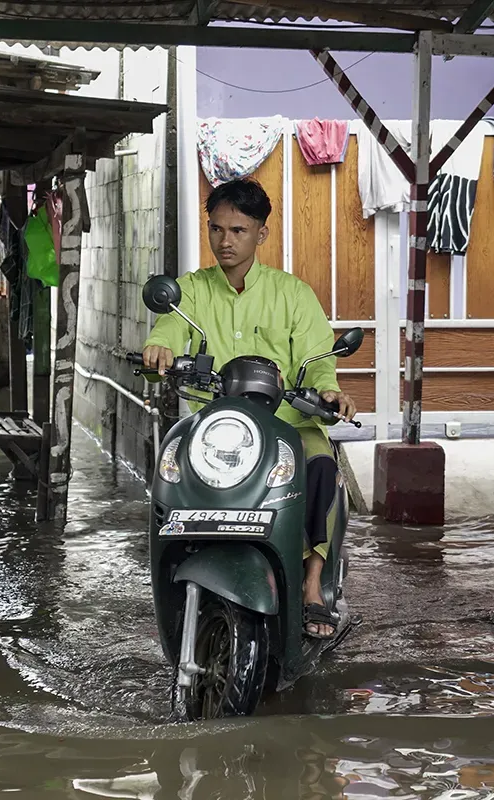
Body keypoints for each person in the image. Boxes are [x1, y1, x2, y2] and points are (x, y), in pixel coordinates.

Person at [142, 178, 357, 640]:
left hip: (287, 423)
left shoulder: (293, 294)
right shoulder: (191, 291)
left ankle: (313, 584)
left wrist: (329, 392)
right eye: (216, 229)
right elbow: (167, 331)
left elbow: (320, 363)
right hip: (213, 427)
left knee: (319, 463)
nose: (225, 240)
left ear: (261, 233)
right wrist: (159, 349)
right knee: (171, 468)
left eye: (238, 230)